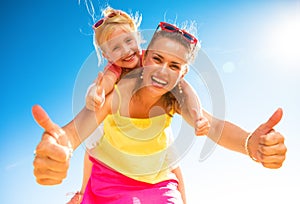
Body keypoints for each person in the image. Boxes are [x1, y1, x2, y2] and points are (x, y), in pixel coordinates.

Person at [32, 21, 287, 203]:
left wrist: (249, 143)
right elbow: (77, 130)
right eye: (157, 60)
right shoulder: (119, 92)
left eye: (174, 65)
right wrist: (61, 145)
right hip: (109, 181)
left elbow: (214, 126)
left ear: (182, 73)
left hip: (158, 184)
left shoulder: (174, 99)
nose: (163, 71)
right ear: (144, 58)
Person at [68, 7, 207, 204]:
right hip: (118, 125)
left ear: (139, 38)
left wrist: (198, 114)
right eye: (115, 48)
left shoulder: (150, 58)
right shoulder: (115, 68)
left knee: (171, 160)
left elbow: (185, 86)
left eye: (128, 41)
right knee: (93, 147)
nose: (125, 51)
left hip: (154, 125)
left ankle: (183, 200)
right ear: (107, 55)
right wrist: (94, 92)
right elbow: (106, 81)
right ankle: (83, 193)